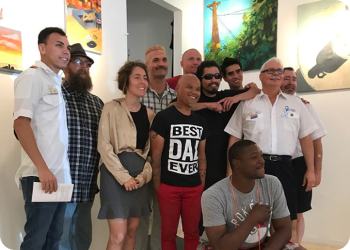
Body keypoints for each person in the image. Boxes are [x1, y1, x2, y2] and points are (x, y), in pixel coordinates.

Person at [224, 57, 318, 246]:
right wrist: (230, 171)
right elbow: (234, 138)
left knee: (287, 220)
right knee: (249, 219)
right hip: (252, 169)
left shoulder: (297, 104)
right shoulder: (247, 104)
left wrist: (311, 170)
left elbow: (306, 138)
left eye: (279, 71)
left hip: (285, 167)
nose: (276, 74)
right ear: (260, 76)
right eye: (271, 71)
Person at [13, 27, 71, 250]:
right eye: (59, 45)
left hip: (60, 177)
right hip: (41, 176)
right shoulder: (31, 76)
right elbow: (20, 124)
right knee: (36, 241)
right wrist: (42, 168)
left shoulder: (56, 82)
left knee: (53, 239)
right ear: (42, 48)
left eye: (66, 47)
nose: (65, 51)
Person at [198, 140, 306, 250]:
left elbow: (284, 229)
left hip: (258, 245)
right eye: (254, 157)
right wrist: (253, 218)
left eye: (261, 155)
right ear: (237, 163)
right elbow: (220, 247)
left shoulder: (272, 183)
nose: (262, 160)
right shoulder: (213, 195)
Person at [97, 61, 155, 250]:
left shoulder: (150, 115)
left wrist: (142, 178)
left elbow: (150, 154)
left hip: (139, 179)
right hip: (114, 177)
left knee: (132, 231)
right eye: (137, 77)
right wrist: (124, 178)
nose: (142, 81)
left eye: (145, 78)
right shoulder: (110, 108)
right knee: (118, 234)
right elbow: (104, 146)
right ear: (126, 81)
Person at [150, 74, 208, 249]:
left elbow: (202, 156)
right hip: (169, 187)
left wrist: (200, 184)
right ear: (177, 89)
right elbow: (156, 156)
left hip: (193, 187)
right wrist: (158, 186)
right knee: (168, 234)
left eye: (198, 89)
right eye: (189, 87)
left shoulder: (201, 122)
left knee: (192, 233)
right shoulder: (163, 117)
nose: (194, 92)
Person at [59, 43, 104, 250]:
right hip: (61, 185)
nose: (84, 67)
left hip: (87, 185)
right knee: (60, 237)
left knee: (83, 237)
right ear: (65, 65)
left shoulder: (97, 103)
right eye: (78, 62)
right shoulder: (55, 97)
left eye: (87, 63)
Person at [193, 60, 260, 190]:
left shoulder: (225, 96)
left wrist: (235, 98)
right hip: (198, 165)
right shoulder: (195, 99)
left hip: (224, 164)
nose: (213, 80)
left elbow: (256, 91)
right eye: (208, 77)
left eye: (217, 76)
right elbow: (175, 106)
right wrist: (208, 105)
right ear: (200, 79)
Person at [136, 45, 176, 250]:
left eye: (163, 60)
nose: (161, 64)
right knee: (140, 216)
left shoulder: (177, 97)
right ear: (146, 66)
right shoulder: (137, 95)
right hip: (141, 164)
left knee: (163, 218)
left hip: (168, 165)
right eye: (156, 61)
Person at [281, 67, 327, 244]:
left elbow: (317, 142)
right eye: (286, 78)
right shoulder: (272, 106)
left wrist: (316, 171)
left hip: (300, 165)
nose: (290, 82)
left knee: (298, 211)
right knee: (277, 211)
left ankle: (296, 245)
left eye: (293, 79)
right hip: (278, 164)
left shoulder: (306, 106)